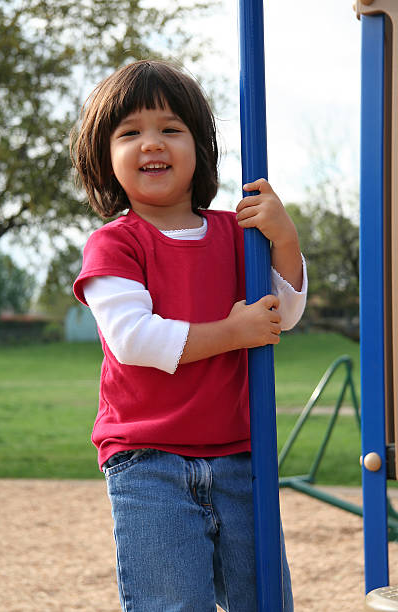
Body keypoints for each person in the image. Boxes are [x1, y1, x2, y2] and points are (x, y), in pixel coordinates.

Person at [71, 60, 307, 612]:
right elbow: (134, 339)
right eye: (129, 132)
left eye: (170, 128)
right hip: (148, 459)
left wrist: (285, 241)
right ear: (105, 159)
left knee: (265, 600)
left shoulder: (236, 232)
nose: (151, 142)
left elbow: (285, 314)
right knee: (172, 602)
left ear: (199, 147)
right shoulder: (115, 244)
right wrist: (231, 332)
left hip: (240, 456)